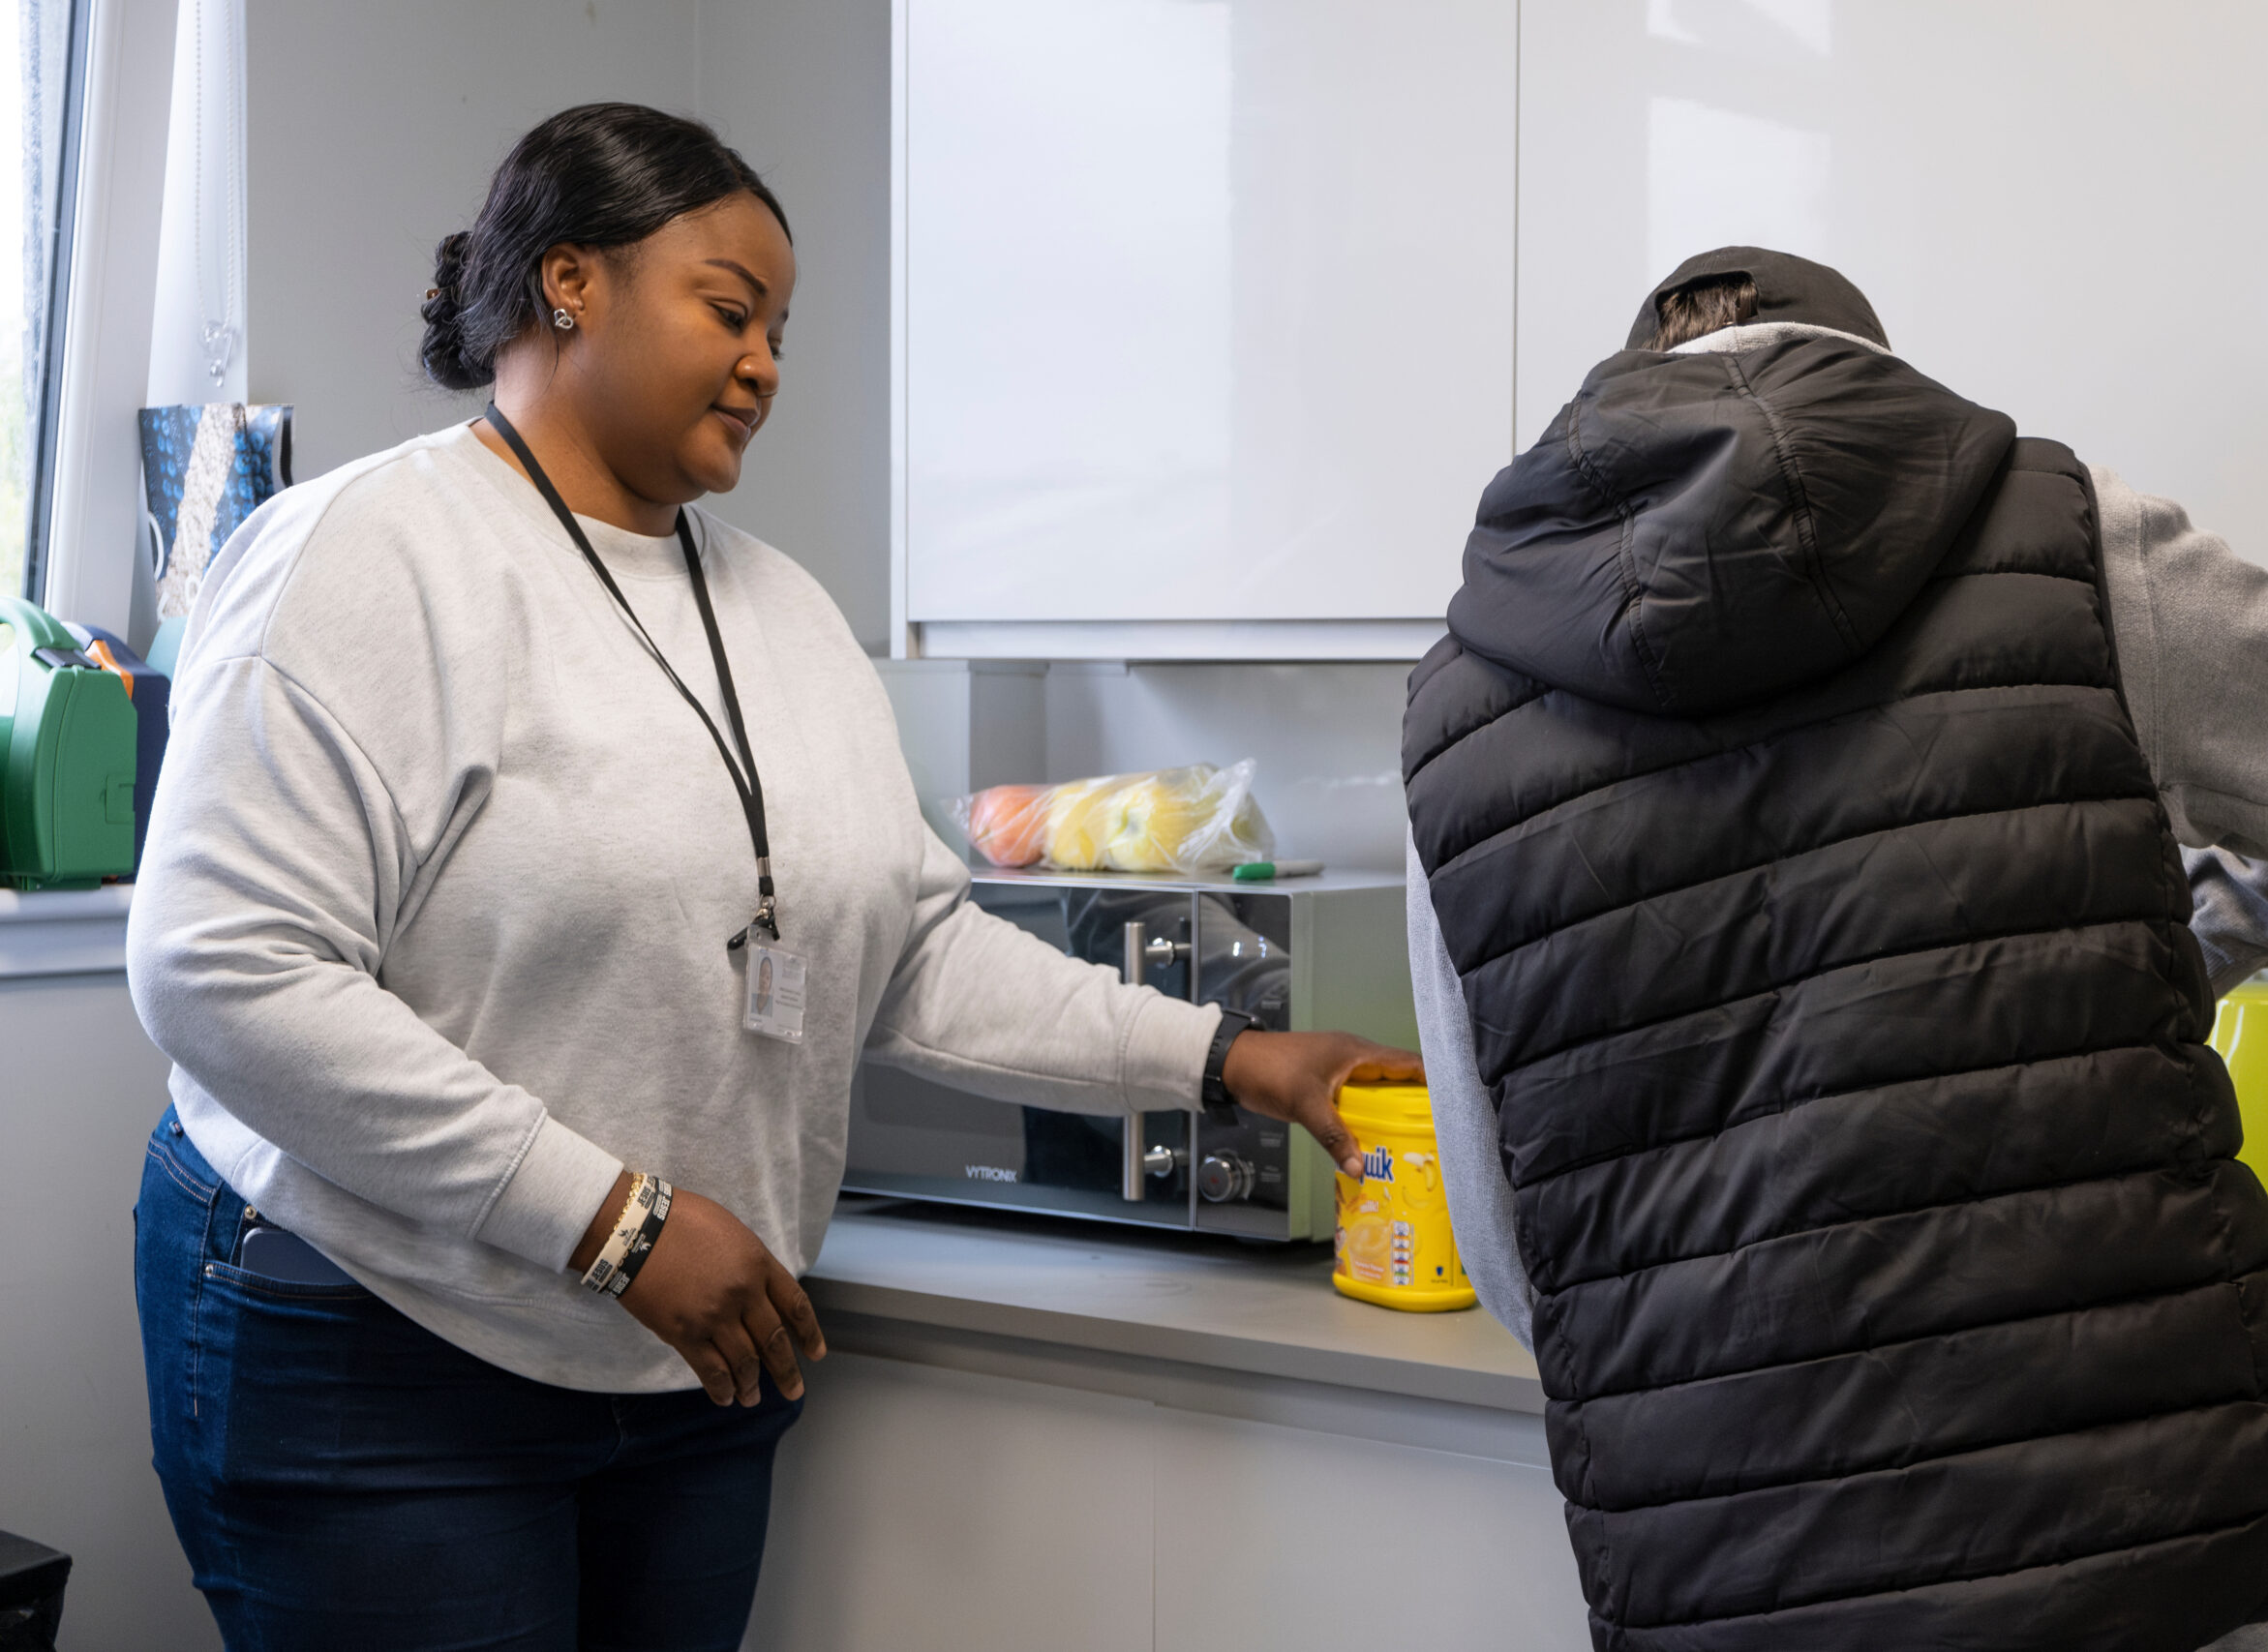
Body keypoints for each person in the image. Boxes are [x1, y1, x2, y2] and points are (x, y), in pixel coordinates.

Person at [127, 103, 1418, 1652]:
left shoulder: (786, 612)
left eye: (781, 332)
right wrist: (613, 1223)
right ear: (569, 283)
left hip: (689, 1363)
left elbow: (913, 947)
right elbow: (224, 969)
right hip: (379, 1339)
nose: (767, 366)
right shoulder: (363, 556)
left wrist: (1233, 1057)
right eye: (730, 311)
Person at [1401, 247, 2268, 1652]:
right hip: (2134, 1527)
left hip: (1740, 1559)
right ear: (1872, 379)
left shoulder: (1454, 709)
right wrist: (2148, 958)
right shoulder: (2075, 537)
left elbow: (1506, 1249)